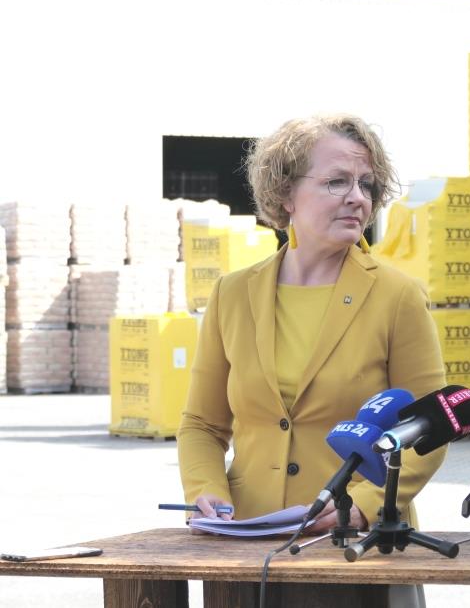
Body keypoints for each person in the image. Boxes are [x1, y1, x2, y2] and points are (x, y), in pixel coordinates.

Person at [177, 113, 446, 545]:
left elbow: (430, 428)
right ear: (286, 193)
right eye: (337, 182)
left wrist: (361, 507)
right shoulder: (232, 293)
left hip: (356, 543)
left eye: (366, 184)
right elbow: (202, 425)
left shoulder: (399, 297)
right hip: (247, 539)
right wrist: (205, 491)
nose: (358, 198)